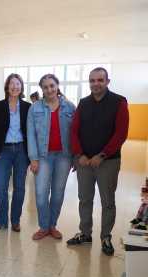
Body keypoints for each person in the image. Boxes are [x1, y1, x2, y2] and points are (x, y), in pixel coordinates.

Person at [67, 67, 129, 256]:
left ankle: (105, 236)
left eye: (100, 80)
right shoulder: (83, 103)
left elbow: (121, 133)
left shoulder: (119, 102)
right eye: (92, 80)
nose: (96, 84)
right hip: (84, 162)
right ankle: (85, 234)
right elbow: (74, 131)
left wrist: (102, 155)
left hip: (108, 162)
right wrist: (80, 155)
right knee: (84, 199)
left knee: (107, 201)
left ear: (107, 81)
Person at [27, 74, 76, 240]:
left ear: (57, 86)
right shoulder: (35, 108)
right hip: (42, 157)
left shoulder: (70, 107)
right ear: (42, 89)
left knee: (57, 193)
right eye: (46, 87)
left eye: (52, 86)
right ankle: (43, 226)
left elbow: (75, 134)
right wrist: (33, 158)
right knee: (41, 193)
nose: (49, 89)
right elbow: (31, 134)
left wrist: (75, 157)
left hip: (64, 157)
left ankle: (52, 225)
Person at [0, 73, 31, 231]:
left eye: (18, 84)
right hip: (3, 151)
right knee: (0, 187)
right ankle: (1, 220)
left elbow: (31, 132)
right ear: (7, 87)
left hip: (21, 150)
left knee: (19, 187)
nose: (15, 87)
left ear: (21, 87)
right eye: (12, 84)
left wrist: (31, 154)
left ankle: (15, 220)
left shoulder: (27, 107)